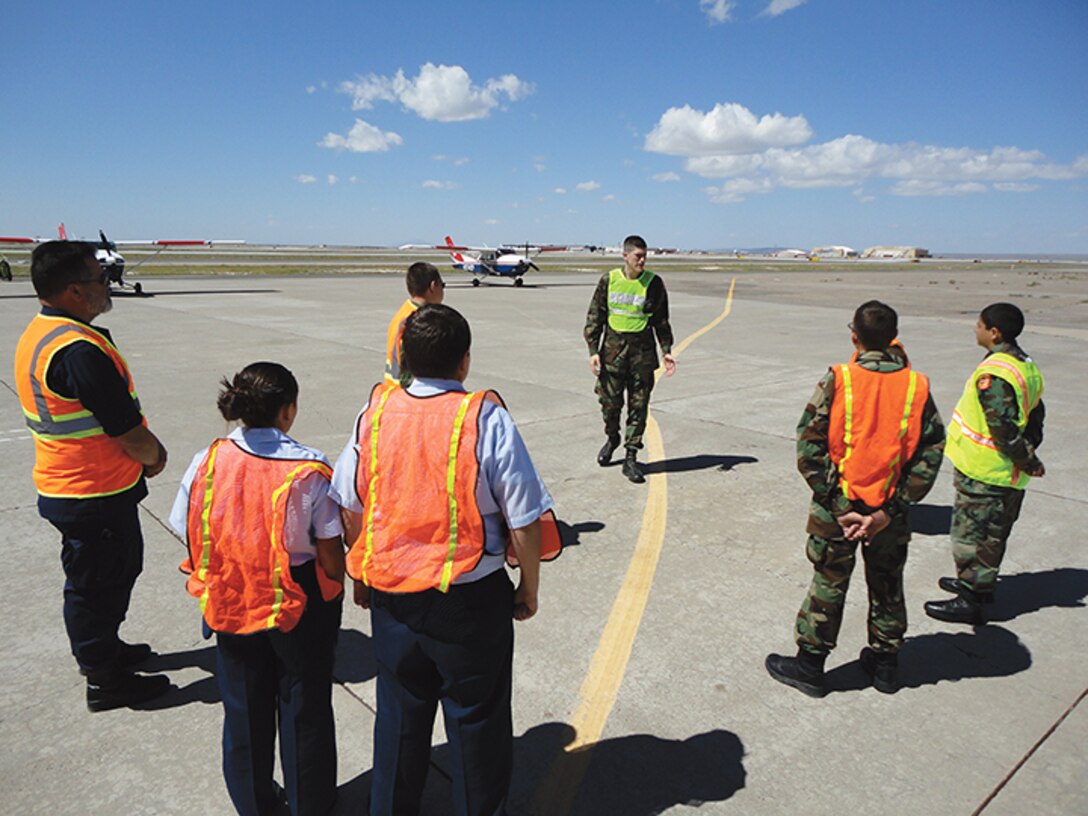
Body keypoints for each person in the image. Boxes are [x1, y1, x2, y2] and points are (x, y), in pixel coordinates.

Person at [330, 303, 560, 816]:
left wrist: (361, 571)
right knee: (476, 726)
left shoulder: (376, 413)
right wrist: (529, 590)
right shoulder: (485, 418)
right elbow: (523, 517)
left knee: (398, 723)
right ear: (465, 362)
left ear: (405, 360)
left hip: (393, 602)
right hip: (469, 602)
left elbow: (348, 502)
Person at [170, 362, 345, 816]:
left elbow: (183, 524)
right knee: (303, 710)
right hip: (297, 597)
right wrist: (337, 586)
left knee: (244, 710)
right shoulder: (309, 468)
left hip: (232, 593)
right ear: (288, 410)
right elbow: (328, 546)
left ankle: (255, 804)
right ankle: (312, 805)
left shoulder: (206, 460)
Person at [14, 240, 170, 711]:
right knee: (94, 583)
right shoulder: (77, 350)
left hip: (83, 485)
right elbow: (124, 427)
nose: (110, 287)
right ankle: (103, 677)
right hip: (89, 490)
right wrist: (154, 456)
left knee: (112, 572)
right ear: (74, 291)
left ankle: (107, 647)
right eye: (101, 280)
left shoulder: (49, 332)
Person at [765, 301, 945, 696]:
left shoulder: (840, 379)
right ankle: (885, 666)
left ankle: (810, 666)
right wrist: (888, 511)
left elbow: (809, 446)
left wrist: (840, 506)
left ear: (854, 336)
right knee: (887, 584)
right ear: (894, 337)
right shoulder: (917, 386)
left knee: (829, 581)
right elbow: (930, 452)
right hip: (888, 512)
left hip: (838, 509)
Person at [925, 302, 1045, 625]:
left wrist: (1029, 460)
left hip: (987, 473)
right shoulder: (1023, 364)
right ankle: (977, 584)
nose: (974, 329)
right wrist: (1030, 451)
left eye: (978, 325)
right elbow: (1036, 415)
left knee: (972, 536)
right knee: (992, 534)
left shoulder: (995, 375)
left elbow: (1003, 430)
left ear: (994, 332)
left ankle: (970, 600)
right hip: (1002, 473)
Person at [584, 235, 676, 483]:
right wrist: (593, 350)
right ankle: (612, 437)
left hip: (642, 356)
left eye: (645, 256)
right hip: (612, 355)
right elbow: (595, 317)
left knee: (639, 406)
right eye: (638, 256)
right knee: (609, 404)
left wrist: (666, 349)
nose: (642, 261)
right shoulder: (609, 281)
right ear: (625, 256)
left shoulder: (654, 284)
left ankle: (631, 456)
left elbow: (661, 320)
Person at [385, 261, 445, 386]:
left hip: (392, 390)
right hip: (405, 396)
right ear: (433, 286)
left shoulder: (403, 313)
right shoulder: (418, 321)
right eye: (442, 285)